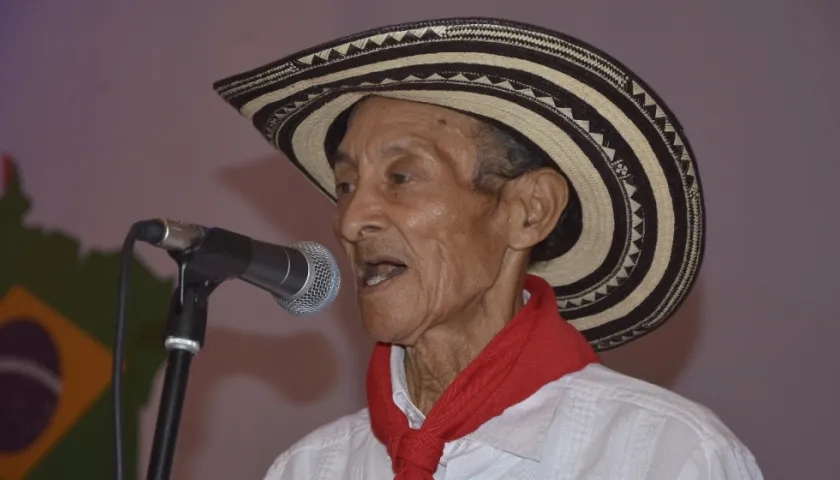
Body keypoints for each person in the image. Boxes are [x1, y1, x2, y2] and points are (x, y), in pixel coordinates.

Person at [214, 17, 763, 479]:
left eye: (403, 176)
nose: (351, 220)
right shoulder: (309, 470)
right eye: (346, 186)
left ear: (529, 211)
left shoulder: (665, 457)